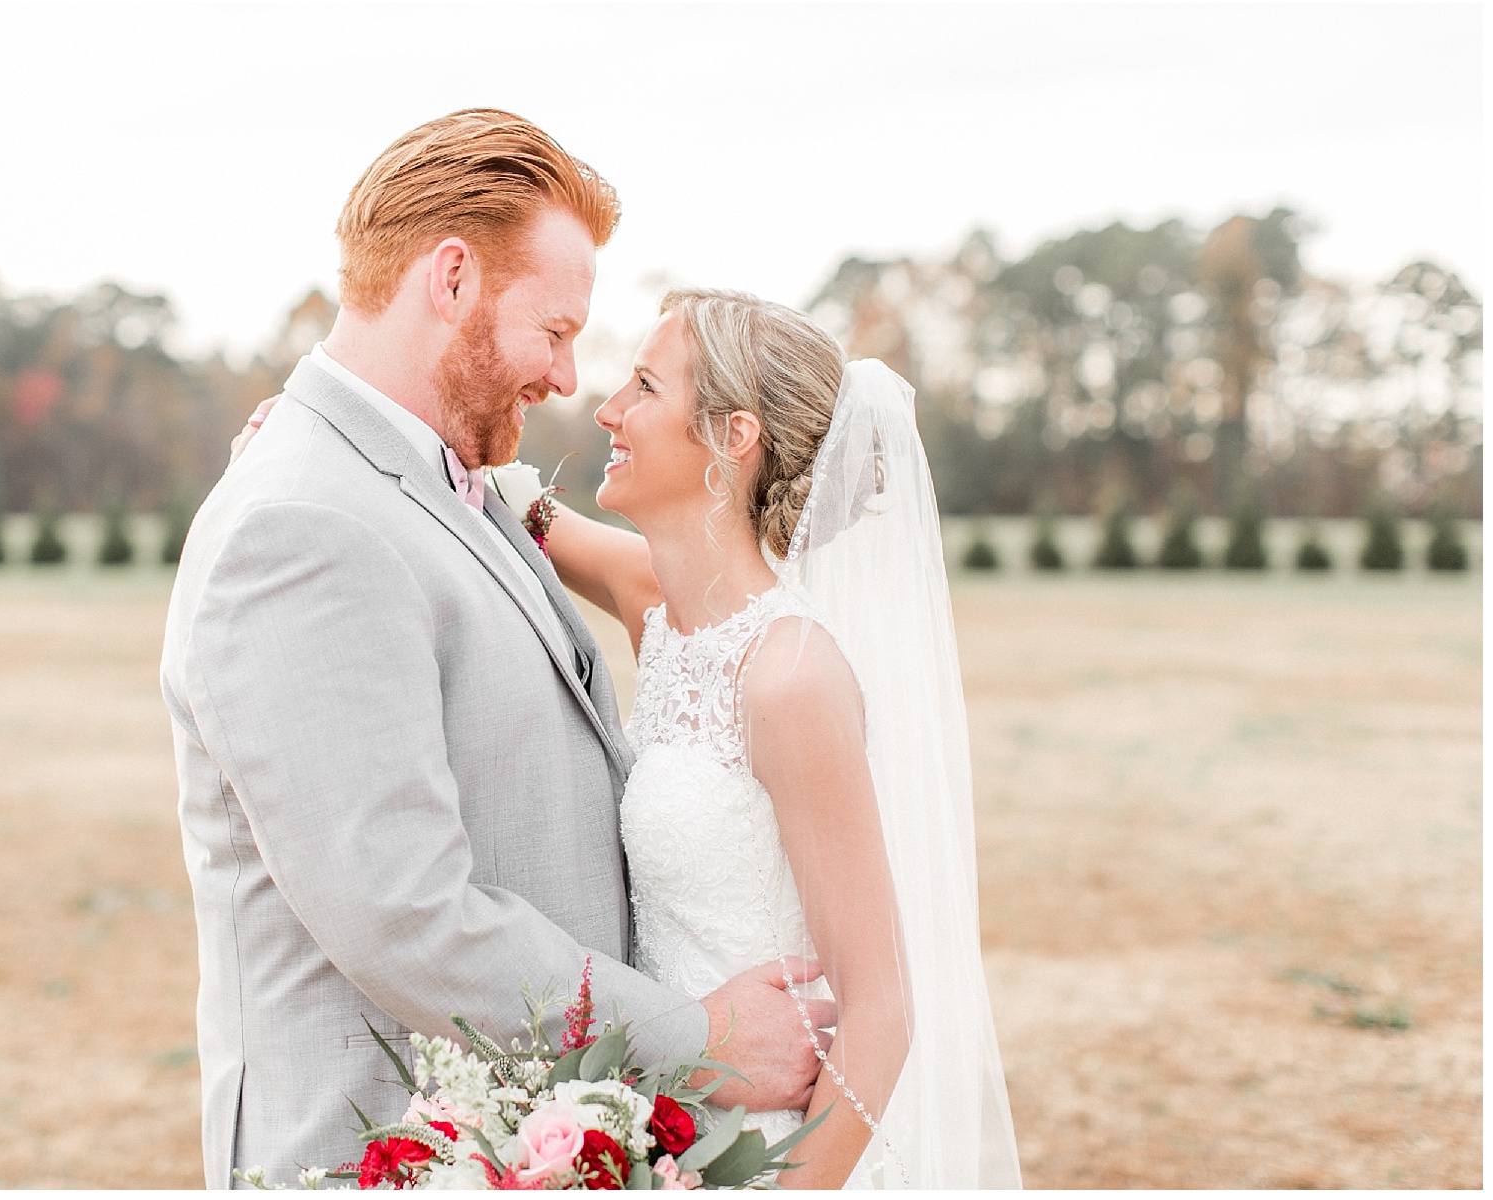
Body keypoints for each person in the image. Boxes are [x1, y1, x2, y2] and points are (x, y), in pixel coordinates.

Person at [161, 111, 827, 1191]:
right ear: (453, 277)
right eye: (555, 331)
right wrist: (693, 1038)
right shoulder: (304, 523)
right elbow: (402, 910)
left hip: (533, 1137)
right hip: (388, 1149)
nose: (568, 378)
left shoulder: (426, 482)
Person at [541, 289, 1024, 1187]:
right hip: (659, 1127)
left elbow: (881, 1010)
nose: (608, 409)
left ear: (734, 437)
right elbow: (506, 506)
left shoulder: (789, 675)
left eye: (644, 385)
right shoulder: (663, 604)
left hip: (764, 1151)